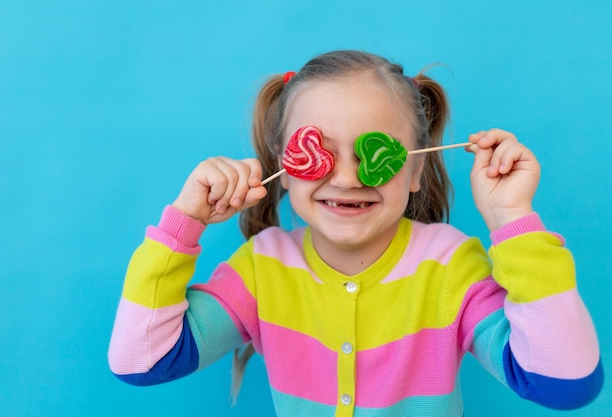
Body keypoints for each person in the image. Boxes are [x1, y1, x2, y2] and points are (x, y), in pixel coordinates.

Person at [108, 50, 603, 416]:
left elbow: (565, 383)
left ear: (414, 171)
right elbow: (142, 362)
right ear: (285, 162)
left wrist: (511, 218)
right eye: (317, 151)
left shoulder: (450, 266)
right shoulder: (264, 267)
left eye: (375, 153)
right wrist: (181, 224)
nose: (347, 178)